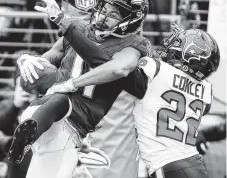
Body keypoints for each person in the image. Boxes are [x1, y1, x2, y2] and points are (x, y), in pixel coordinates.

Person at [7, 0, 150, 178]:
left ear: (131, 21)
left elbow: (119, 68)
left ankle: (25, 141)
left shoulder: (132, 45)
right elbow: (48, 58)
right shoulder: (79, 26)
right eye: (103, 8)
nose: (103, 16)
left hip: (75, 128)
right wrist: (26, 60)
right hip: (46, 112)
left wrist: (73, 83)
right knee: (58, 98)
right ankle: (23, 140)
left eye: (114, 14)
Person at [47, 23, 220, 178]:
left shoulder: (156, 70)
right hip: (193, 162)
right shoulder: (206, 91)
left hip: (168, 164)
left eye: (178, 43)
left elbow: (106, 64)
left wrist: (71, 32)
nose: (171, 45)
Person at [0, 50, 38, 178]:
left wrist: (35, 103)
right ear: (15, 84)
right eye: (22, 84)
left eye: (31, 85)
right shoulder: (6, 106)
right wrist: (15, 106)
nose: (26, 90)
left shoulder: (46, 106)